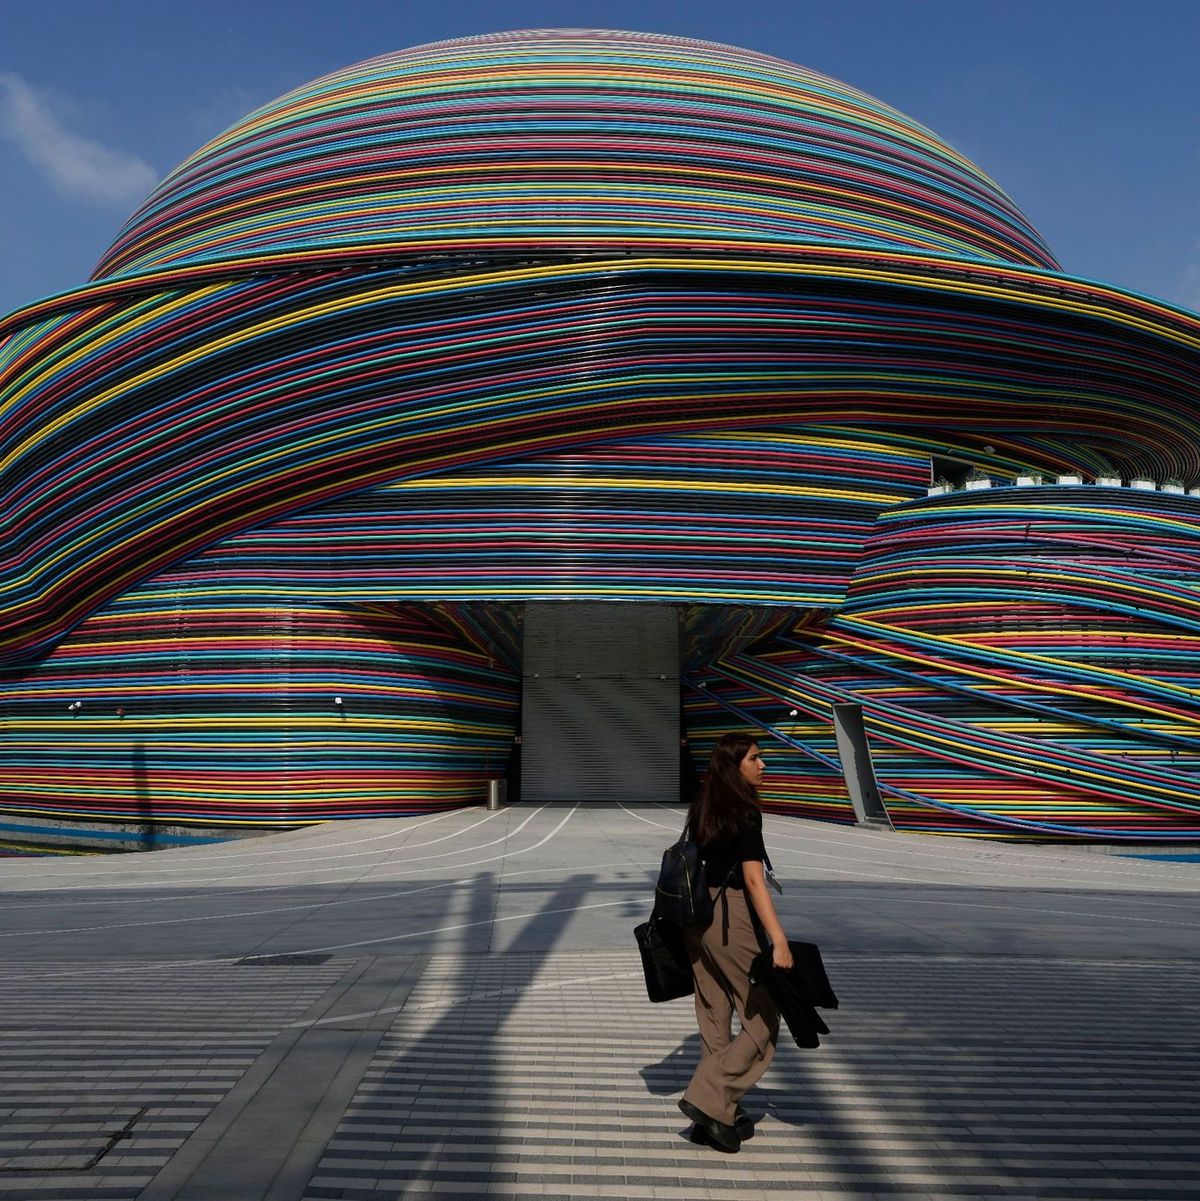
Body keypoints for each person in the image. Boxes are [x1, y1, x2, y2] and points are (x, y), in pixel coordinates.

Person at [678, 731, 791, 1153]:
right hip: (728, 915)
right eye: (756, 759)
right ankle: (707, 1096)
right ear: (735, 765)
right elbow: (751, 878)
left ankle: (718, 1114)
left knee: (714, 1011)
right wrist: (777, 938)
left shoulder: (705, 802)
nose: (763, 766)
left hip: (694, 918)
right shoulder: (744, 810)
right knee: (764, 1011)